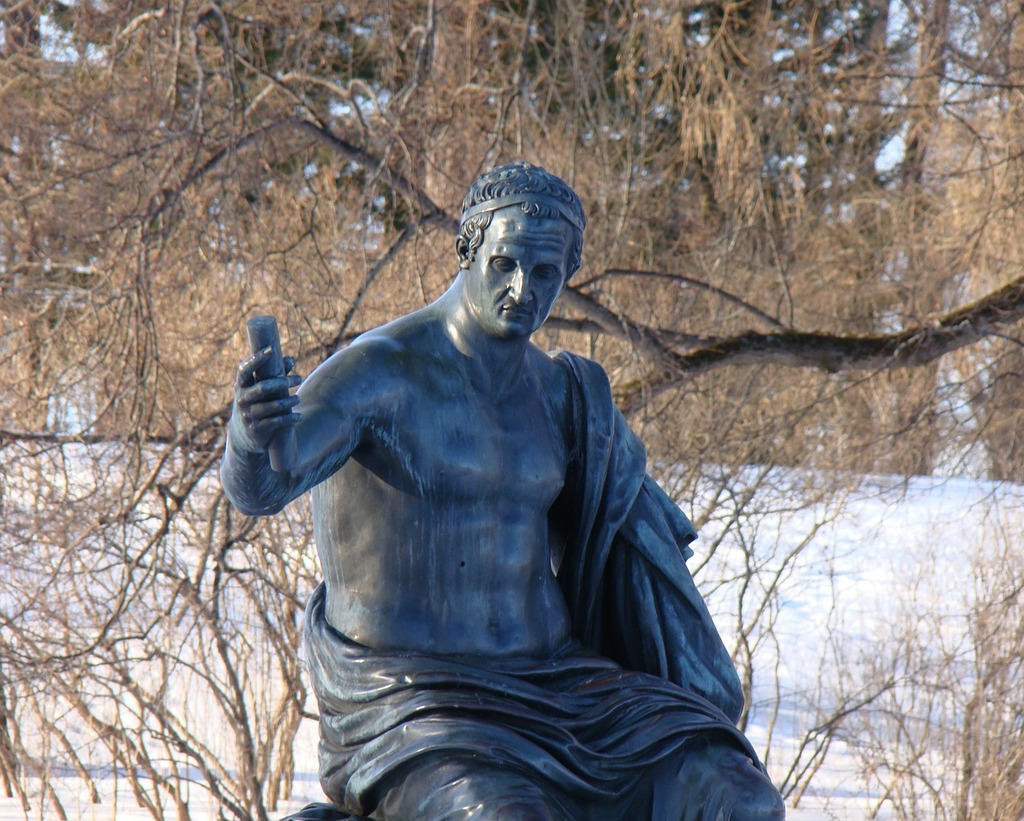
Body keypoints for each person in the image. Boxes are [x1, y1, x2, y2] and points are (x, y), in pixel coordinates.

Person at [221, 162, 786, 820]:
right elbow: (263, 485)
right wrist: (246, 434)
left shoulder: (561, 395)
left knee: (739, 798)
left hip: (558, 686)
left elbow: (628, 532)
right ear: (468, 249)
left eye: (546, 273)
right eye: (505, 262)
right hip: (413, 700)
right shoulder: (379, 373)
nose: (523, 289)